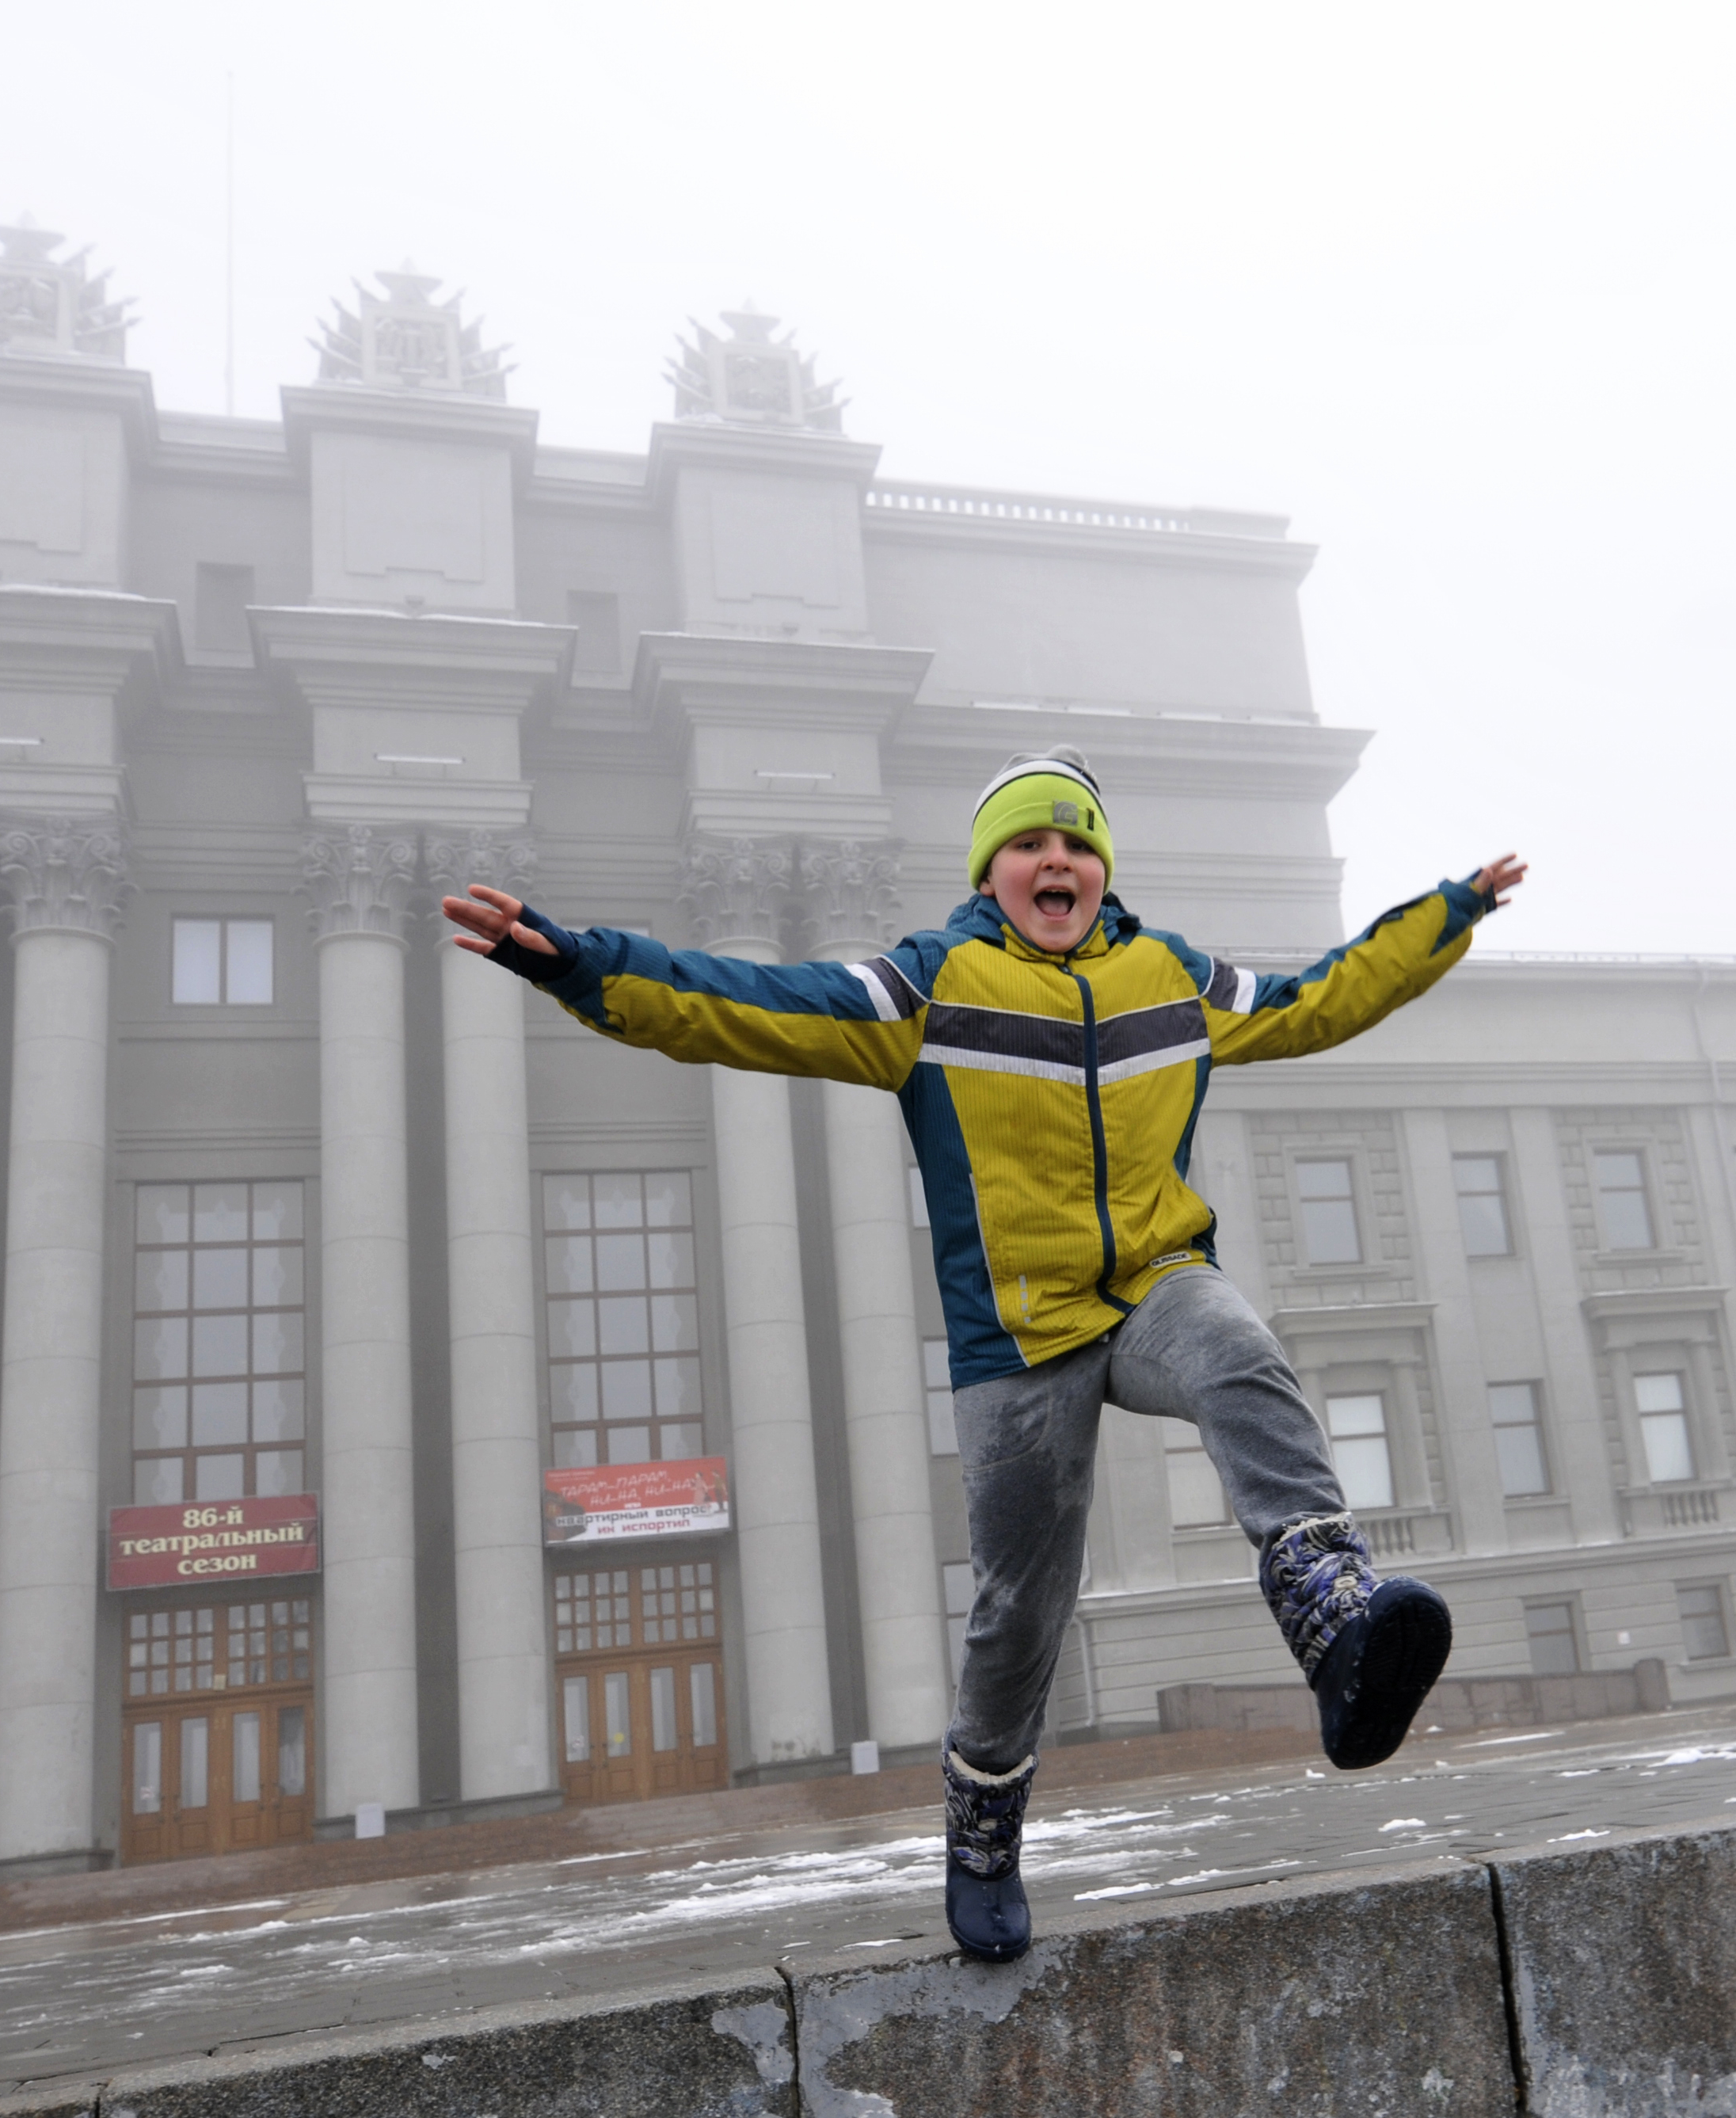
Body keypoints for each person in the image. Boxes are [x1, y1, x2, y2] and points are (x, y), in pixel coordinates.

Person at [442, 749, 1526, 1961]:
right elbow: (749, 1002)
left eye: (1076, 842)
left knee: (1239, 1354)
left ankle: (1332, 1617)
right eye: (1028, 844)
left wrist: (1448, 915)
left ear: (1102, 870)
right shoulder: (929, 985)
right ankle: (983, 1829)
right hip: (1017, 1334)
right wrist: (587, 966)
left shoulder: (1173, 977)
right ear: (991, 872)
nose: (1054, 859)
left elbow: (1319, 997)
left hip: (1154, 1285)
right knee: (1019, 1610)